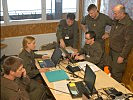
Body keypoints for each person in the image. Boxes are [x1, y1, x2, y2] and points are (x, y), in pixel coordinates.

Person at [108, 4, 133, 82]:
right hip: (112, 51)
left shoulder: (128, 24)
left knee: (116, 73)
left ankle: (115, 92)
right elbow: (115, 32)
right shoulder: (116, 20)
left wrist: (122, 56)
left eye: (115, 13)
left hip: (119, 54)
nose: (113, 15)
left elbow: (129, 42)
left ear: (122, 13)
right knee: (110, 70)